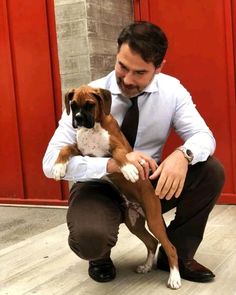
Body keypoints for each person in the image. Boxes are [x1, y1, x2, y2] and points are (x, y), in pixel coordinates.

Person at [43, 21, 225, 284]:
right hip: (98, 184)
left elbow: (203, 136)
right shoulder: (87, 95)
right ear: (116, 54)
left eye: (140, 72)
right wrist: (110, 166)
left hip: (145, 182)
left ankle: (176, 253)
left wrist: (182, 155)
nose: (127, 80)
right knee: (89, 237)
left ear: (159, 68)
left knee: (211, 171)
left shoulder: (172, 90)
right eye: (122, 67)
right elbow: (49, 164)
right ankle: (100, 253)